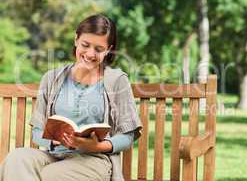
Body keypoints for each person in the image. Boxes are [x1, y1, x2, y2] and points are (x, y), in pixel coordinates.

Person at [0, 14, 142, 181]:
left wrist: (96, 146)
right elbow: (37, 131)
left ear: (109, 49)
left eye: (98, 49)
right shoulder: (51, 78)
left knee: (48, 175)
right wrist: (55, 142)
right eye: (85, 45)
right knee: (17, 158)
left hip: (94, 160)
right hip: (55, 156)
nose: (90, 54)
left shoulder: (117, 80)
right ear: (76, 39)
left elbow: (128, 135)